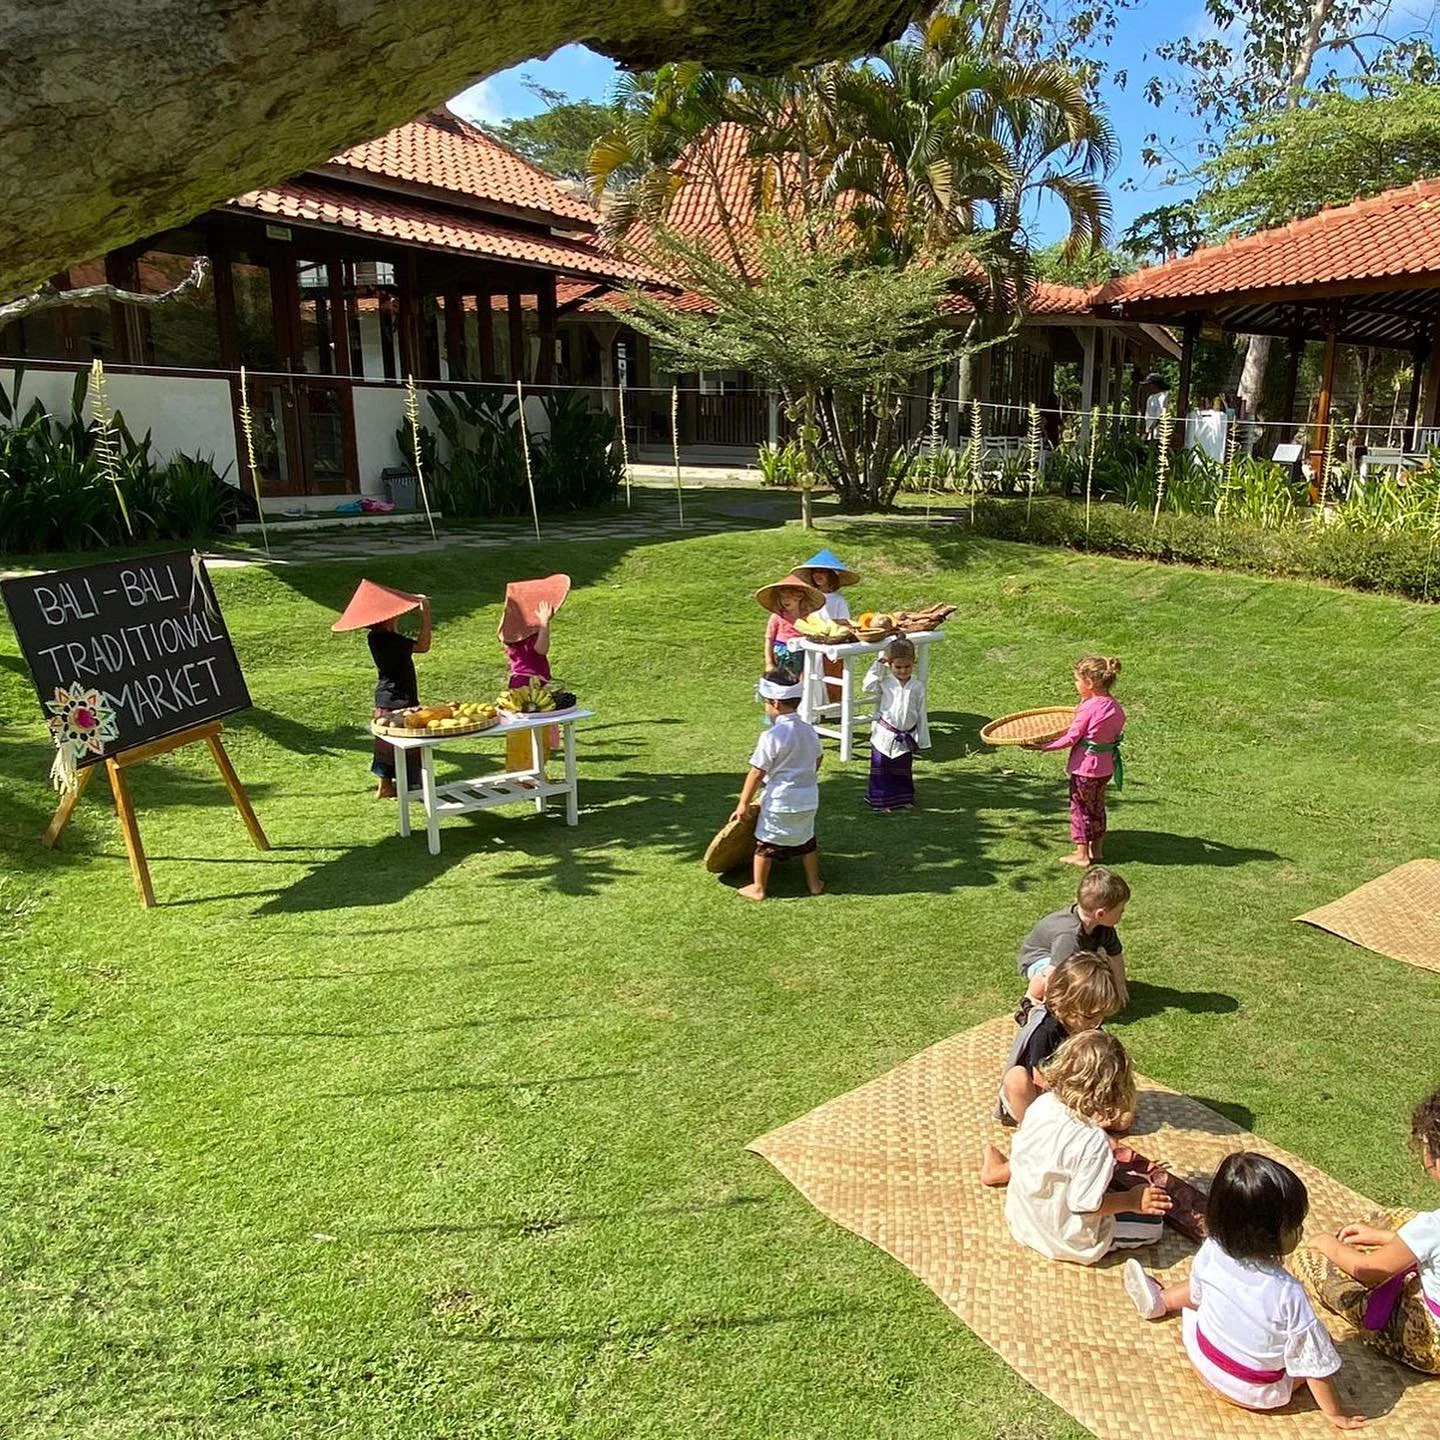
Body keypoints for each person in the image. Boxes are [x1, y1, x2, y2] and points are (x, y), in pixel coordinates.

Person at [1123, 1152, 1363, 1430]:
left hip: (1204, 1359)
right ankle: (1163, 1301)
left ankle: (1162, 1300)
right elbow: (1314, 1365)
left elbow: (1198, 1294)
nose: (1301, 1231)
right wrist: (1335, 1413)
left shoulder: (1212, 1248)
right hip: (1254, 1391)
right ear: (1267, 1235)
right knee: (1321, 1345)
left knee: (1202, 1289)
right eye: (1295, 1226)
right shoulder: (1288, 1292)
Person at [980, 1030, 1169, 1263]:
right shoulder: (1093, 1142)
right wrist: (1132, 1200)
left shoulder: (1042, 1104)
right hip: (1062, 1237)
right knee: (1154, 1226)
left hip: (1023, 1216)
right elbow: (1083, 1206)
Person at [1292, 1085, 1440, 1376]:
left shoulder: (1432, 1226)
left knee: (1308, 1262)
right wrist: (1389, 1239)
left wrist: (1327, 1245)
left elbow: (1369, 1270)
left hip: (1430, 1342)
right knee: (1403, 1219)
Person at [330, 578, 432, 800]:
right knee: (409, 740)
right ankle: (409, 784)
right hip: (398, 698)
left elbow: (391, 627)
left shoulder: (376, 637)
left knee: (385, 744)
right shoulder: (391, 640)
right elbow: (423, 646)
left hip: (387, 697)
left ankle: (386, 785)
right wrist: (425, 614)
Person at [996, 953, 1125, 1128]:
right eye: (1089, 1016)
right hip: (1036, 1097)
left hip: (1071, 1095)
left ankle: (1077, 1124)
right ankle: (1034, 1130)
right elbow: (1040, 1079)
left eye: (1102, 1016)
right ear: (1062, 1002)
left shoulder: (1089, 1029)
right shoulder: (1046, 1031)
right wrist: (1072, 1102)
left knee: (1123, 1117)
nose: (1096, 1023)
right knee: (1016, 1078)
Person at [731, 671, 824, 901]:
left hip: (780, 800)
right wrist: (805, 775)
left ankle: (759, 887)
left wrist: (743, 802)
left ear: (774, 703)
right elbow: (818, 758)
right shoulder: (809, 730)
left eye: (765, 702)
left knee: (765, 843)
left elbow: (757, 771)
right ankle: (814, 883)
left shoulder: (772, 736)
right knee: (807, 840)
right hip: (809, 798)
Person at [1027, 655, 1125, 868]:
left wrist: (1044, 746)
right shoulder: (1115, 706)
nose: (1075, 684)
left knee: (1080, 808)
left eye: (1077, 680)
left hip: (1085, 769)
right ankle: (1096, 850)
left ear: (1089, 683)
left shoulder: (1088, 709)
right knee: (1097, 806)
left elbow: (1071, 737)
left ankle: (1082, 854)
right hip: (1105, 767)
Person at [1017, 866, 1130, 1007]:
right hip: (1040, 960)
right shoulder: (1068, 935)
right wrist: (1053, 1007)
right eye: (1120, 910)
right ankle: (1032, 997)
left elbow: (1115, 954)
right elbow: (1055, 973)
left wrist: (1120, 986)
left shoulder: (1105, 927)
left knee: (1101, 966)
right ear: (1100, 914)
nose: (1123, 913)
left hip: (1074, 956)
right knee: (1065, 980)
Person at [498, 573, 570, 776]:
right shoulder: (529, 634)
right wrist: (545, 624)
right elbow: (541, 650)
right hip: (531, 685)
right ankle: (530, 773)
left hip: (517, 682)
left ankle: (523, 771)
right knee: (535, 732)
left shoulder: (508, 633)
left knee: (520, 732)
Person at [862, 637, 929, 811]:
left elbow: (921, 713)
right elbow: (867, 686)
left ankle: (903, 798)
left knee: (902, 769)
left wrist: (922, 739)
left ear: (913, 664)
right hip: (885, 734)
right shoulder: (886, 682)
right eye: (898, 667)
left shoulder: (917, 687)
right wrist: (879, 665)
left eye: (907, 667)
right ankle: (881, 801)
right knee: (882, 768)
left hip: (906, 734)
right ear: (890, 665)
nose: (902, 671)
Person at [756, 573, 825, 681]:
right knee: (782, 682)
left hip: (803, 653)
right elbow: (769, 639)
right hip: (782, 655)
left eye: (788, 597)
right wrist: (769, 663)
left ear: (799, 597)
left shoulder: (806, 617)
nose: (785, 601)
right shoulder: (777, 616)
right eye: (782, 598)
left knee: (802, 683)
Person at [792, 548, 859, 623]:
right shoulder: (808, 596)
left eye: (822, 572)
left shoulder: (838, 600)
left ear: (831, 575)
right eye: (815, 572)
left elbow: (845, 621)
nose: (817, 575)